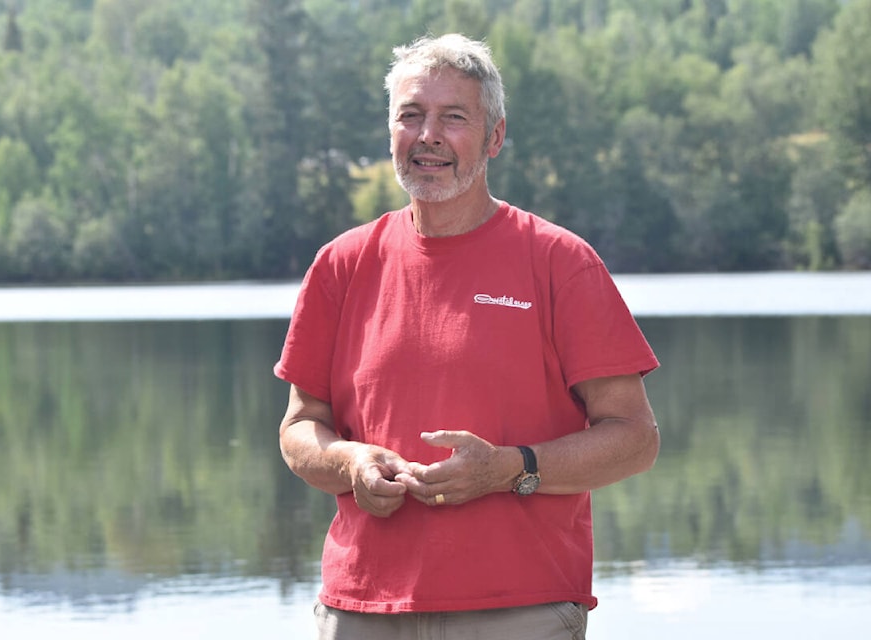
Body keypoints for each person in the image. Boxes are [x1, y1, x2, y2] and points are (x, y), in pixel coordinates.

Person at [274, 33, 660, 640]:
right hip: (363, 607)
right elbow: (299, 428)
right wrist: (350, 463)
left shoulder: (561, 262)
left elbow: (635, 438)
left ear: (494, 138)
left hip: (521, 610)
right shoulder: (340, 264)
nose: (428, 135)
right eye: (411, 115)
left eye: (454, 118)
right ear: (391, 132)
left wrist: (510, 469)